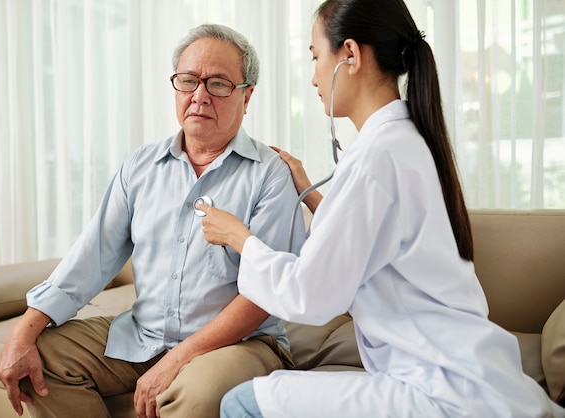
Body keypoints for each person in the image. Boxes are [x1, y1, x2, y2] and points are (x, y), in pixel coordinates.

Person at [198, 1, 565, 417]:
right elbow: (371, 240)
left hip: (439, 387)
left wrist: (238, 237)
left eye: (317, 57)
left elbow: (309, 295)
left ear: (350, 55)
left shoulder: (378, 158)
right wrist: (317, 198)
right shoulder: (402, 142)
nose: (314, 76)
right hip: (467, 375)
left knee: (241, 404)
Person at [0, 23, 306, 418]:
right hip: (144, 337)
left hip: (241, 345)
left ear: (247, 96)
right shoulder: (141, 166)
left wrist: (179, 359)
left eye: (219, 84)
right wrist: (24, 330)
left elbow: (265, 293)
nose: (200, 97)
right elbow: (92, 258)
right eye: (188, 81)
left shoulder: (271, 173)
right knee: (38, 356)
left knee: (195, 391)